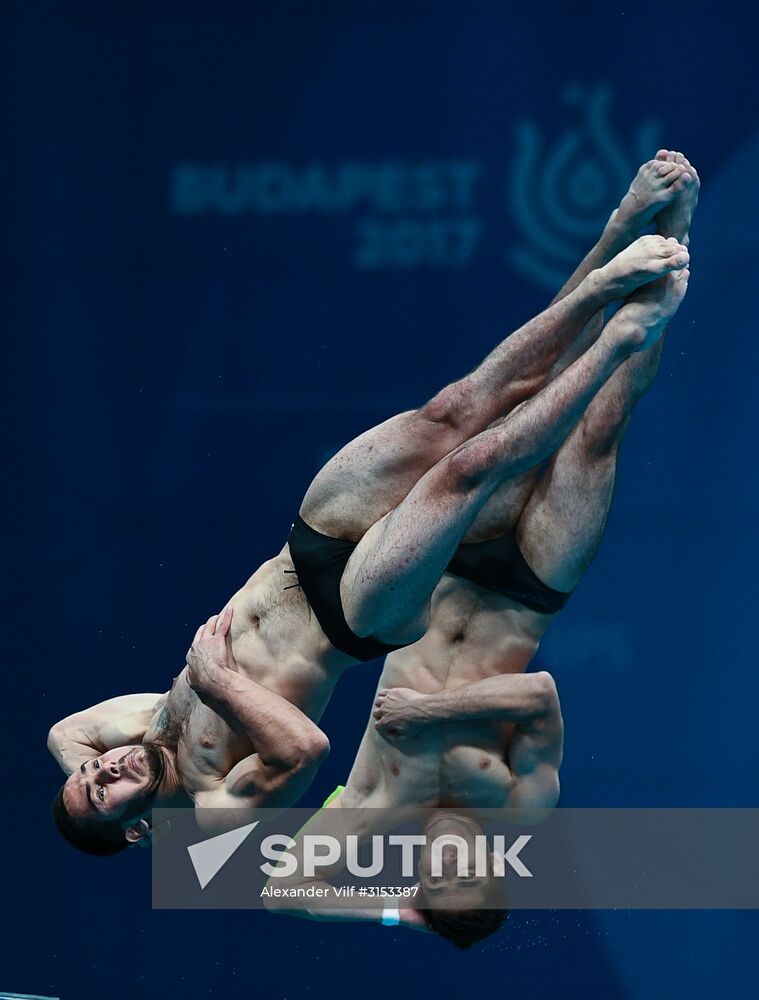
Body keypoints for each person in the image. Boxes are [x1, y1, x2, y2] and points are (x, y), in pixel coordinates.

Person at [48, 152, 695, 855]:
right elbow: (304, 749)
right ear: (138, 829)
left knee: (455, 409)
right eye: (102, 790)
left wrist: (81, 782)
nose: (103, 768)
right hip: (350, 614)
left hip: (304, 546)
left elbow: (61, 734)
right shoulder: (212, 810)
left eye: (90, 772)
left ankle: (608, 253)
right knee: (468, 469)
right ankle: (619, 340)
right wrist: (211, 679)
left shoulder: (138, 728)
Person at [264, 150, 700, 944]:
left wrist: (398, 915)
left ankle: (619, 229)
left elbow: (281, 891)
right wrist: (430, 711)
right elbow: (540, 700)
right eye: (467, 870)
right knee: (599, 428)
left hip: (450, 568)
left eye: (436, 876)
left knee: (526, 400)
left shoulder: (377, 805)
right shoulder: (518, 810)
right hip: (531, 588)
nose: (450, 857)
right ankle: (672, 232)